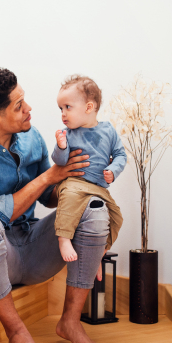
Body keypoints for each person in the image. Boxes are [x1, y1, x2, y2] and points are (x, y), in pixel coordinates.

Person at [0, 67, 111, 343]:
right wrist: (48, 176)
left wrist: (76, 184)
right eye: (18, 105)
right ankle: (17, 330)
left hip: (32, 246)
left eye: (25, 100)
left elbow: (47, 198)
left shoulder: (30, 135)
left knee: (93, 206)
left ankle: (71, 322)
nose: (29, 109)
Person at [52, 75, 126, 262]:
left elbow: (120, 155)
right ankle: (64, 238)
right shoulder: (67, 134)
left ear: (89, 107)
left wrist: (113, 170)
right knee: (67, 199)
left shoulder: (108, 131)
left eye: (68, 107)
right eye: (60, 108)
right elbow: (60, 161)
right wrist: (60, 147)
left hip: (99, 188)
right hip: (74, 183)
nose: (63, 113)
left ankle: (101, 249)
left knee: (117, 217)